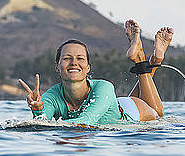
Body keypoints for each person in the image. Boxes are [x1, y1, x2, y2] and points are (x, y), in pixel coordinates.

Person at [18, 19, 174, 126]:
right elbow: (42, 122)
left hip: (133, 111)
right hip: (113, 105)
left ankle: (140, 60)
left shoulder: (104, 87)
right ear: (57, 67)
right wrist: (38, 110)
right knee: (145, 89)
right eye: (67, 58)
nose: (74, 62)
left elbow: (87, 120)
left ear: (88, 67)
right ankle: (154, 61)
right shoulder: (52, 96)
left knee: (159, 116)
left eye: (80, 58)